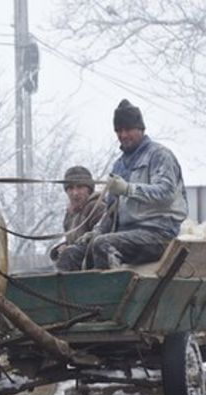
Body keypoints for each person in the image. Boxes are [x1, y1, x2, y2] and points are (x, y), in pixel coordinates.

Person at [56, 99, 188, 271]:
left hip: (158, 235)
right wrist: (96, 231)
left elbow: (166, 193)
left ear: (141, 129)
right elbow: (112, 212)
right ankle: (67, 297)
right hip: (125, 235)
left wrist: (128, 189)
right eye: (119, 130)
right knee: (70, 254)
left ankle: (105, 296)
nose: (123, 135)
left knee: (103, 244)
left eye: (128, 129)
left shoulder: (159, 155)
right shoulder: (119, 165)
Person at [49, 166, 106, 262]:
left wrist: (70, 249)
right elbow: (73, 240)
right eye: (70, 188)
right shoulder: (71, 214)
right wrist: (61, 248)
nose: (75, 193)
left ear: (89, 189)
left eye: (79, 187)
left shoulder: (96, 207)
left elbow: (99, 242)